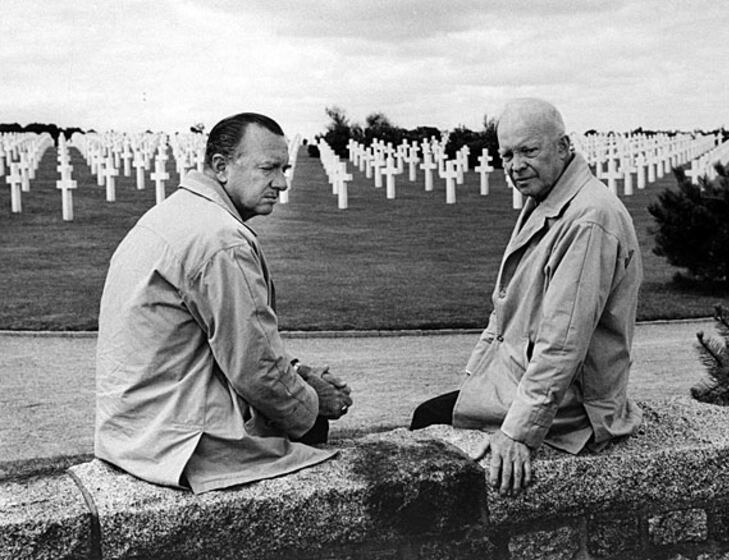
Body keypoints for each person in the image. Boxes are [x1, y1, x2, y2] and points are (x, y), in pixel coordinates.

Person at [95, 112, 352, 494]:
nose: (282, 183)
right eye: (268, 168)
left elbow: (224, 340)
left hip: (131, 429)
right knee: (311, 427)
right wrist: (314, 403)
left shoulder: (171, 213)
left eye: (284, 169)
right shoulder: (221, 240)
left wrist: (298, 373)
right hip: (180, 443)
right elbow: (256, 368)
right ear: (221, 167)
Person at [410, 98, 643, 497]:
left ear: (563, 147)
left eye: (528, 150)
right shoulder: (551, 199)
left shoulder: (589, 219)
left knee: (427, 423)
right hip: (523, 377)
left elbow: (563, 342)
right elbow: (504, 311)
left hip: (575, 406)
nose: (515, 165)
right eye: (507, 155)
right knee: (432, 419)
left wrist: (520, 433)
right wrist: (474, 379)